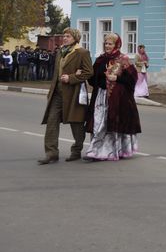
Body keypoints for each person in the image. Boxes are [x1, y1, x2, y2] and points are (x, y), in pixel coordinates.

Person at [38, 28, 93, 164]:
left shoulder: (82, 52)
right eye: (64, 36)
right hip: (57, 93)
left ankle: (76, 150)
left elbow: (89, 72)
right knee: (51, 121)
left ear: (75, 38)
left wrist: (71, 77)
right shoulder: (60, 51)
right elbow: (56, 73)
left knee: (76, 122)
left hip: (73, 93)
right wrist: (51, 91)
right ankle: (51, 153)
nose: (64, 38)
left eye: (68, 36)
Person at [84, 33, 141, 161]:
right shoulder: (100, 59)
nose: (107, 46)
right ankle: (95, 151)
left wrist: (117, 78)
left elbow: (132, 79)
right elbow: (93, 79)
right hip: (100, 96)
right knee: (98, 123)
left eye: (110, 44)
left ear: (116, 45)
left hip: (118, 99)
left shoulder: (123, 59)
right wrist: (97, 79)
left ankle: (111, 151)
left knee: (111, 124)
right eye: (106, 43)